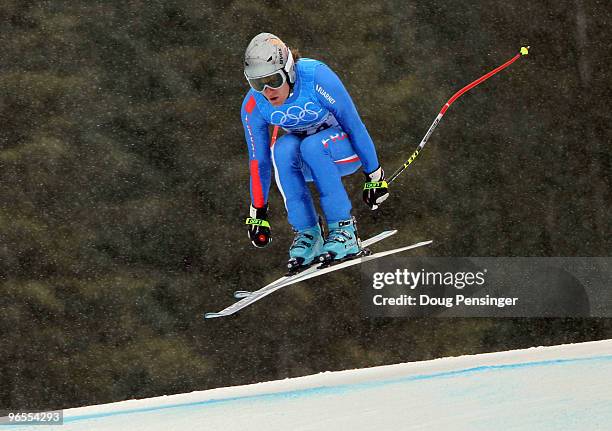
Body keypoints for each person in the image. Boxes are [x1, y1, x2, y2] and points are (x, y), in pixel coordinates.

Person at [241, 33, 389, 272]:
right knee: (282, 148)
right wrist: (257, 211)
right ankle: (308, 233)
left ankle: (344, 229)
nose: (267, 90)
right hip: (311, 162)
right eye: (258, 83)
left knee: (312, 146)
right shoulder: (254, 104)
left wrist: (375, 176)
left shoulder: (316, 77)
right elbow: (258, 161)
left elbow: (354, 125)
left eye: (273, 80)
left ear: (288, 71)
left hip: (344, 151)